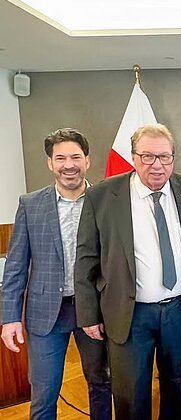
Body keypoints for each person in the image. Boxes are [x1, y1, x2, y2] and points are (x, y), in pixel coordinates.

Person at [74, 123, 181, 419]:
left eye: (164, 157)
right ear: (134, 157)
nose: (157, 165)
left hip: (179, 310)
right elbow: (86, 258)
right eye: (148, 156)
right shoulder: (103, 196)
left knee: (178, 386)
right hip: (129, 314)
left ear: (173, 158)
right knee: (131, 396)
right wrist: (88, 314)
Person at [0, 128, 112, 420]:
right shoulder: (30, 204)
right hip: (45, 314)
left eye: (75, 157)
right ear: (50, 163)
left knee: (101, 384)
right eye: (60, 158)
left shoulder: (106, 201)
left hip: (95, 312)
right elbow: (15, 265)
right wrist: (10, 317)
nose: (68, 164)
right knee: (44, 394)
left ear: (87, 160)